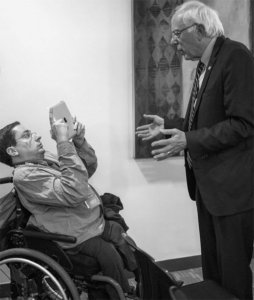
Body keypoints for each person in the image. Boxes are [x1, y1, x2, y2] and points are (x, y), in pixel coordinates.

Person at [136, 1, 254, 299]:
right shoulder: (205, 64)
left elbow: (243, 124)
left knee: (233, 273)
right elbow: (207, 118)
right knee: (213, 269)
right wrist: (171, 124)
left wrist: (187, 141)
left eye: (177, 34)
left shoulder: (235, 56)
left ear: (199, 30)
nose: (173, 42)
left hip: (232, 190)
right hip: (209, 186)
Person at [0, 111, 135, 298]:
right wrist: (63, 142)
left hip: (87, 222)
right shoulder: (24, 176)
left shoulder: (43, 158)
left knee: (121, 235)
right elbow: (75, 191)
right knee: (108, 254)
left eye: (31, 132)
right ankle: (121, 294)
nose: (36, 135)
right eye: (26, 135)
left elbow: (84, 170)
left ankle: (142, 282)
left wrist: (78, 141)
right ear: (13, 151)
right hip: (73, 233)